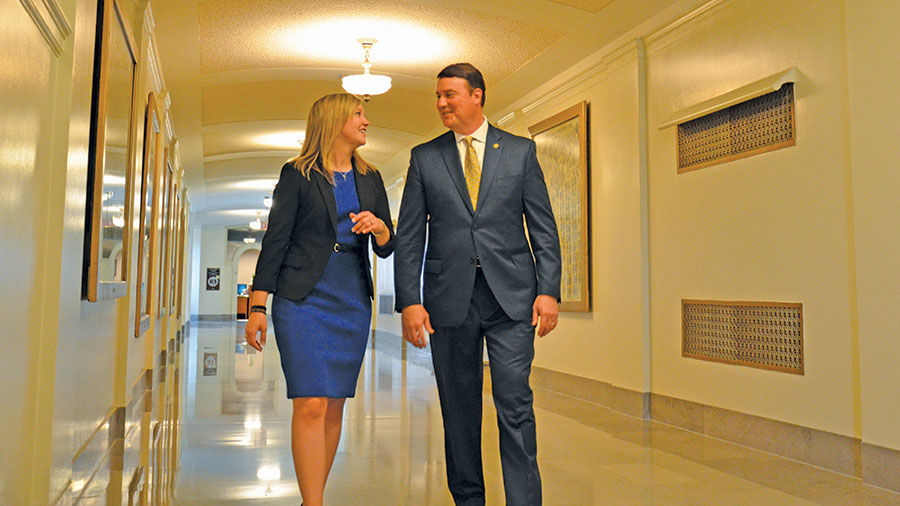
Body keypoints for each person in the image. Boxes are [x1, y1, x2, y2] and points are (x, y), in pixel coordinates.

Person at [394, 63, 562, 505]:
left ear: (478, 96)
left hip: (512, 300)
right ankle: (469, 500)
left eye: (450, 94)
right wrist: (410, 301)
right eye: (438, 96)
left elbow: (543, 228)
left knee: (515, 406)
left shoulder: (521, 152)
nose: (441, 103)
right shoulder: (425, 158)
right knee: (459, 410)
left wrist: (548, 290)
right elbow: (410, 236)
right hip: (449, 302)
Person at [245, 93, 394, 506]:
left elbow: (387, 246)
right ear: (334, 120)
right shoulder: (297, 175)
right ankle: (313, 503)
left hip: (351, 299)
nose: (366, 121)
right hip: (302, 300)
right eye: (358, 114)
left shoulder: (372, 178)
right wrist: (257, 306)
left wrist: (379, 227)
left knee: (333, 406)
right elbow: (275, 242)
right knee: (310, 402)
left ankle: (315, 495)